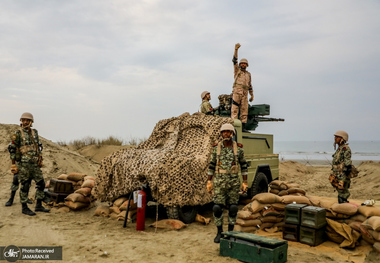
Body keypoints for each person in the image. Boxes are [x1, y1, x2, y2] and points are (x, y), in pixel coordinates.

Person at [207, 123, 248, 243]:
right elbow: (211, 165)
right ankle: (219, 232)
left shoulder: (238, 148)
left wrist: (245, 182)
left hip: (234, 182)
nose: (226, 133)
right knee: (217, 208)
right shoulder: (216, 148)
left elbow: (244, 165)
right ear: (221, 133)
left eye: (228, 131)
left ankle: (230, 232)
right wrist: (209, 181)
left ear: (232, 134)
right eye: (224, 131)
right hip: (219, 182)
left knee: (233, 207)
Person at [8, 112, 49, 216]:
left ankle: (38, 205)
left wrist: (40, 158)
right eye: (23, 120)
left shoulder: (35, 132)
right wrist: (13, 164)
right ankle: (24, 207)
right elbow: (12, 149)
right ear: (21, 121)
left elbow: (38, 147)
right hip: (24, 164)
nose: (25, 122)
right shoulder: (17, 133)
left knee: (41, 183)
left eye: (28, 120)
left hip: (34, 163)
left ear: (31, 122)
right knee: (25, 185)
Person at [231, 43, 254, 132]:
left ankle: (243, 127)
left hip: (245, 94)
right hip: (237, 92)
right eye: (242, 63)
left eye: (245, 64)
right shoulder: (237, 71)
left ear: (247, 65)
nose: (243, 65)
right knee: (235, 110)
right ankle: (234, 126)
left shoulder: (248, 74)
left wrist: (252, 95)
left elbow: (250, 85)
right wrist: (236, 50)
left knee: (244, 111)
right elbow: (234, 60)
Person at [329, 130, 352, 204]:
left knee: (342, 189)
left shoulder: (345, 148)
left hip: (342, 172)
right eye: (335, 137)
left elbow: (347, 161)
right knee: (339, 189)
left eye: (337, 137)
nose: (335, 138)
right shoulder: (339, 149)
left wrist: (345, 173)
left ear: (342, 139)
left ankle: (344, 203)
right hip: (337, 172)